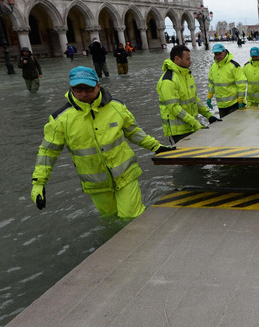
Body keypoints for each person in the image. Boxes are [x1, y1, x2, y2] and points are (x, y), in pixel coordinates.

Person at [30, 66, 175, 220]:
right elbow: (48, 152)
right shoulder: (60, 120)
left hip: (126, 174)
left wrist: (156, 147)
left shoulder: (117, 107)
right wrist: (38, 183)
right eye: (78, 89)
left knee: (132, 217)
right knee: (111, 219)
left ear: (98, 86)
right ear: (71, 87)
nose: (83, 94)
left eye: (88, 88)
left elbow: (133, 132)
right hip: (96, 182)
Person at [157, 44, 220, 143]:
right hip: (178, 131)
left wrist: (208, 115)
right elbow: (174, 108)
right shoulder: (168, 80)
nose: (190, 62)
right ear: (177, 59)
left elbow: (194, 100)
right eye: (187, 59)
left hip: (191, 126)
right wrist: (195, 123)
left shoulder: (187, 75)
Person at [206, 43, 247, 118]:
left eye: (219, 54)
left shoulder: (234, 66)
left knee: (236, 126)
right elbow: (211, 84)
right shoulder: (213, 67)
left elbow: (241, 84)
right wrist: (209, 97)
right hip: (221, 105)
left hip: (234, 103)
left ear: (224, 52)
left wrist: (240, 99)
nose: (218, 56)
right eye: (216, 54)